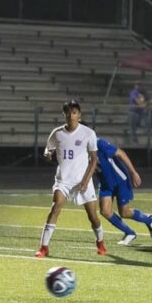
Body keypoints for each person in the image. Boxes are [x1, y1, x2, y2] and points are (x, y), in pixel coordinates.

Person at [35, 100, 106, 258]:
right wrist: (47, 155)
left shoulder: (88, 133)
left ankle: (100, 242)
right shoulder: (57, 133)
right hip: (63, 180)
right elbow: (49, 151)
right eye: (68, 112)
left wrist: (86, 181)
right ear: (64, 114)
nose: (71, 115)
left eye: (74, 112)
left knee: (93, 216)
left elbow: (94, 159)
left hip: (83, 180)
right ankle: (44, 247)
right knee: (55, 208)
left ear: (79, 115)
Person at [95, 137, 152, 245]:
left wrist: (133, 172)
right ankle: (130, 233)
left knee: (124, 212)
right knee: (105, 211)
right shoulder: (79, 148)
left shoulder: (99, 143)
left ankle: (148, 219)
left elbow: (121, 153)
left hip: (120, 180)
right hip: (105, 183)